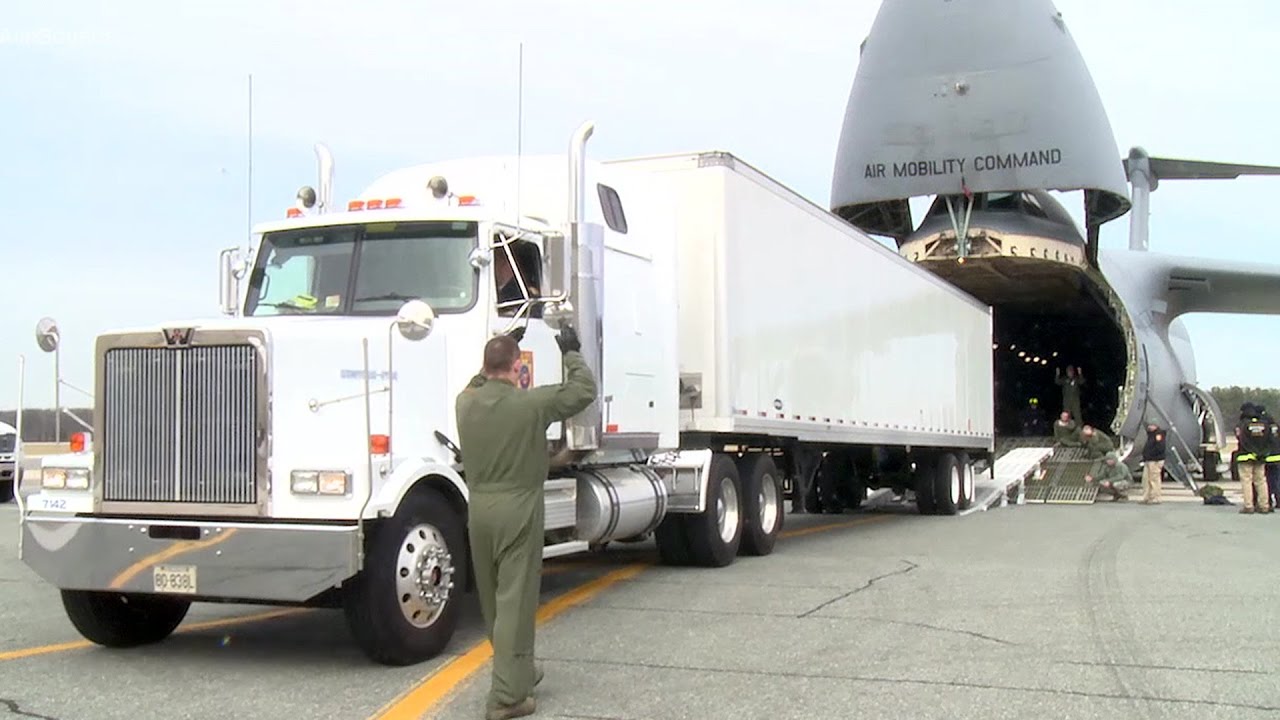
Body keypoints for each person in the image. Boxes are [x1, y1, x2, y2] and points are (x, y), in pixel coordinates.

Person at [455, 323, 597, 720]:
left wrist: (508, 345)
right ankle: (507, 698)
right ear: (518, 369)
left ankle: (517, 672)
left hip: (479, 509)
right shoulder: (530, 404)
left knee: (494, 603)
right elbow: (582, 391)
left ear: (485, 366)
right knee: (515, 603)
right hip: (519, 507)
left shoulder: (464, 402)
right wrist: (570, 352)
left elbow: (477, 381)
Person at [1234, 403, 1273, 515]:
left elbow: (1241, 439)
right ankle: (1264, 506)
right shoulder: (1265, 424)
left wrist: (1251, 451)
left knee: (1246, 481)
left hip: (1245, 456)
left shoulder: (1242, 424)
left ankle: (1248, 506)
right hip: (1261, 457)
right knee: (1261, 481)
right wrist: (1262, 453)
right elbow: (1270, 440)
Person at [1140, 421, 1166, 504]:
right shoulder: (1151, 435)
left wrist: (1151, 455)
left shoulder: (1159, 435)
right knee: (1146, 479)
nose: (1149, 427)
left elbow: (1160, 447)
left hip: (1155, 460)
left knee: (1154, 479)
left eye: (1151, 425)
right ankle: (1147, 497)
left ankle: (1156, 497)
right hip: (1148, 460)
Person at [1262, 407, 1280, 512]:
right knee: (1277, 480)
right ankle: (1278, 500)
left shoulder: (1264, 428)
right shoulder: (1277, 427)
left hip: (1267, 457)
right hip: (1278, 457)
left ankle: (1268, 501)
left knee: (1266, 481)